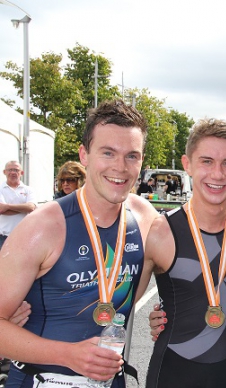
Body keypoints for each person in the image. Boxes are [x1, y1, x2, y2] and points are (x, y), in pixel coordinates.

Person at [0, 100, 160, 388]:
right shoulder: (42, 226)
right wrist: (68, 354)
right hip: (40, 379)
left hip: (109, 380)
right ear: (84, 155)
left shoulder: (145, 217)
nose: (120, 168)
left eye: (132, 156)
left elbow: (197, 239)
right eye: (108, 152)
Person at [144, 118, 226, 388]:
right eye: (206, 161)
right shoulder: (160, 232)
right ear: (187, 164)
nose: (217, 174)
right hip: (172, 376)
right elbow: (116, 303)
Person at [0, 161, 36, 250]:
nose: (12, 173)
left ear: (21, 173)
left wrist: (7, 206)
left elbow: (31, 207)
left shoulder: (29, 190)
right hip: (4, 237)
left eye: (16, 170)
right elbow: (2, 210)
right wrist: (24, 208)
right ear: (4, 172)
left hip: (24, 236)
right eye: (10, 170)